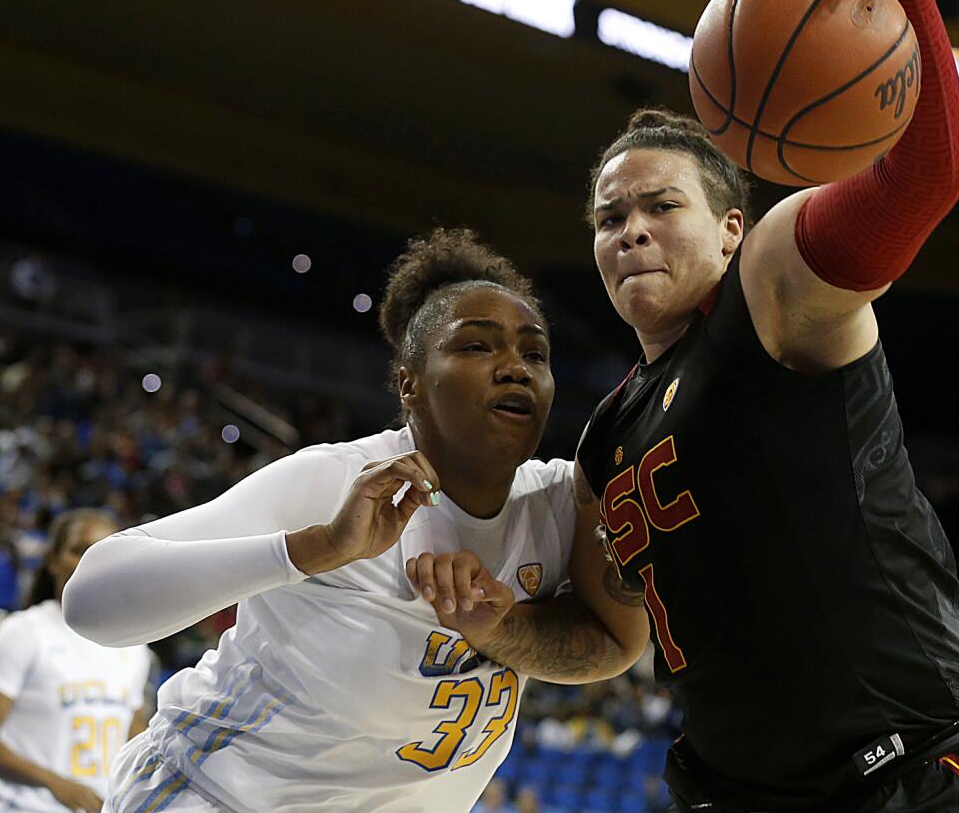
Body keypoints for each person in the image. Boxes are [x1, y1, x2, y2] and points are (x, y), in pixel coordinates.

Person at [419, 0, 959, 813]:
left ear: (731, 229)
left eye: (660, 206)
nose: (629, 231)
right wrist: (500, 626)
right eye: (609, 217)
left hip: (912, 770)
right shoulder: (606, 442)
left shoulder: (774, 288)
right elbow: (609, 640)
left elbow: (928, 177)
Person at [61, 229, 647, 813]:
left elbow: (615, 642)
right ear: (408, 383)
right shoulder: (338, 483)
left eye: (535, 353)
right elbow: (90, 601)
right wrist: (313, 548)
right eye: (477, 346)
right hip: (216, 794)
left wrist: (501, 630)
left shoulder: (561, 502)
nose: (515, 368)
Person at [0, 509, 154, 813]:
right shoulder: (23, 632)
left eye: (103, 551)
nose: (91, 561)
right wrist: (56, 784)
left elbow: (130, 737)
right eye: (79, 550)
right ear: (53, 560)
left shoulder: (134, 645)